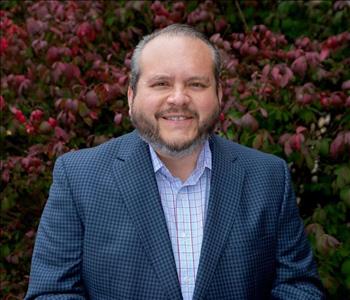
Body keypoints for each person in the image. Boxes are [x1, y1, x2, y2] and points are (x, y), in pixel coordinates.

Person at [25, 24, 324, 300]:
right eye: (161, 84)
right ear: (131, 97)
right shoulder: (78, 178)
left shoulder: (268, 177)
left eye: (196, 84)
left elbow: (298, 286)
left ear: (218, 94)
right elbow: (52, 292)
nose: (178, 98)